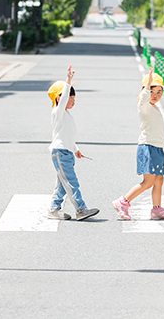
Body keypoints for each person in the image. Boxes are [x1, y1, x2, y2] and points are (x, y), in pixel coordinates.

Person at [112, 67, 164, 221]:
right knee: (148, 182)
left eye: (159, 92)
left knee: (159, 179)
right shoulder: (144, 106)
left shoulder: (154, 107)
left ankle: (157, 210)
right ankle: (123, 202)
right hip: (148, 147)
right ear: (145, 91)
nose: (156, 95)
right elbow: (143, 98)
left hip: (157, 148)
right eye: (152, 91)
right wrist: (148, 85)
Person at [47, 65, 99, 221]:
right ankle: (81, 209)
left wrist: (75, 149)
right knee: (71, 181)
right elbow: (62, 99)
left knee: (63, 184)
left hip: (66, 152)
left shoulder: (66, 115)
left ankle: (54, 209)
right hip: (60, 153)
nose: (73, 101)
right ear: (60, 98)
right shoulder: (58, 112)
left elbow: (68, 135)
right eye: (71, 97)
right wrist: (67, 80)